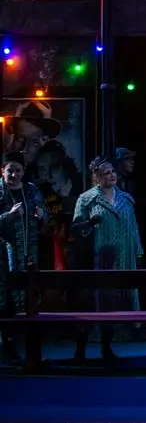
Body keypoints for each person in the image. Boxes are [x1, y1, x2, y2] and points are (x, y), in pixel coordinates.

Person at [70, 156, 142, 365]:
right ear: (96, 177)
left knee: (115, 303)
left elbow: (133, 227)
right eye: (106, 173)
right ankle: (81, 348)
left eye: (113, 171)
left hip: (123, 257)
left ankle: (106, 346)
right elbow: (76, 229)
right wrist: (89, 223)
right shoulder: (87, 199)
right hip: (98, 259)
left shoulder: (126, 198)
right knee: (92, 303)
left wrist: (138, 252)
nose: (111, 175)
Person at [0, 152, 45, 367]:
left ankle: (31, 353)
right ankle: (6, 349)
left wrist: (41, 216)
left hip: (29, 255)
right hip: (3, 256)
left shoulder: (31, 190)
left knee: (31, 300)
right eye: (10, 170)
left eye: (18, 170)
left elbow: (45, 219)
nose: (14, 175)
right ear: (3, 171)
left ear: (23, 171)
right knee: (5, 301)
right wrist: (7, 216)